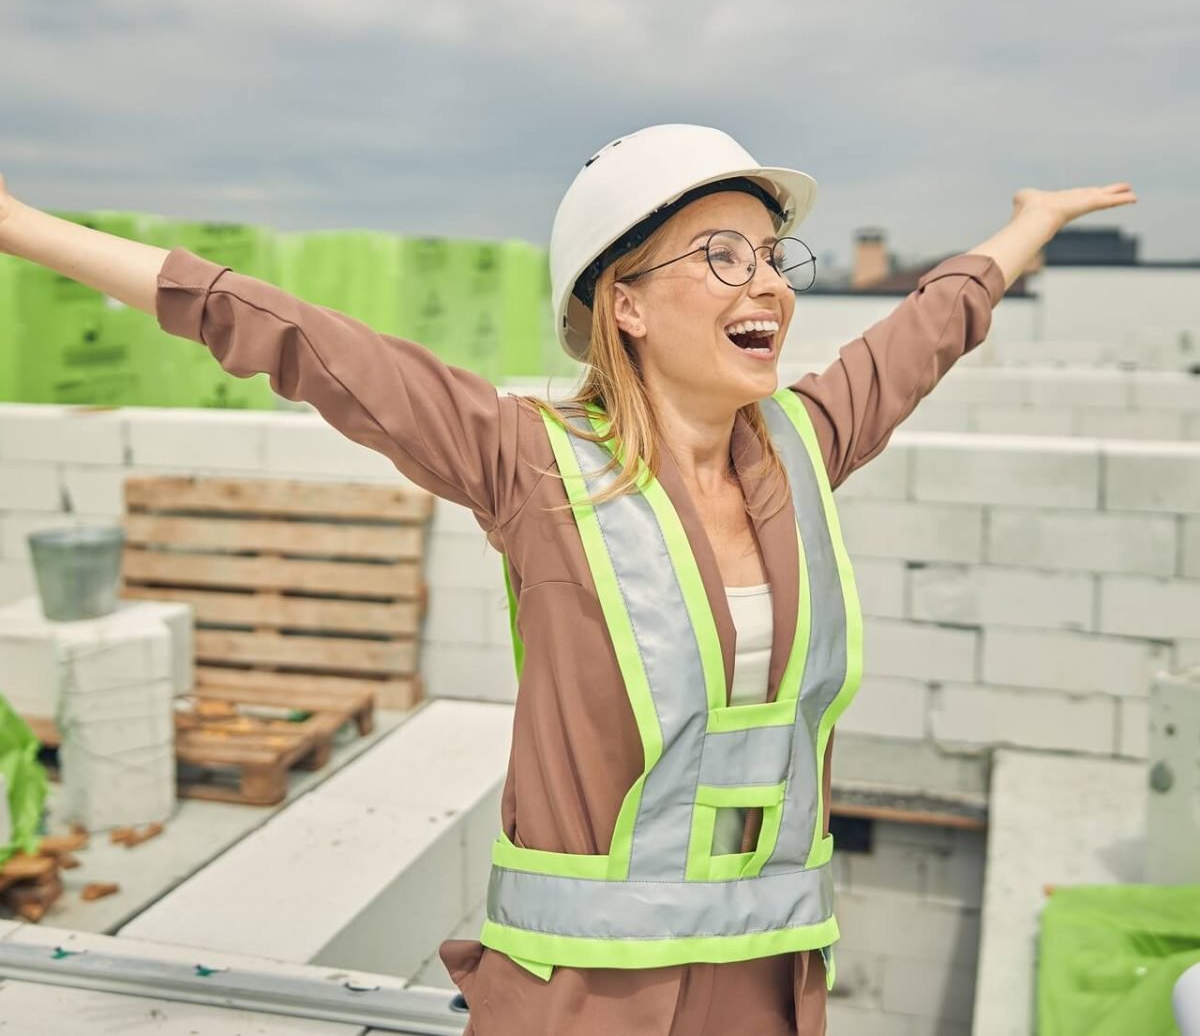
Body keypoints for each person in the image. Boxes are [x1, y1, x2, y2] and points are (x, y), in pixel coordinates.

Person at [0, 127, 1136, 1035]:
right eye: (721, 255)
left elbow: (931, 328)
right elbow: (288, 333)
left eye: (771, 256)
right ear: (624, 304)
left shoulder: (804, 443)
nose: (769, 286)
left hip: (769, 987)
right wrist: (18, 225)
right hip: (581, 1004)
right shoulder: (532, 463)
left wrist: (1026, 225)